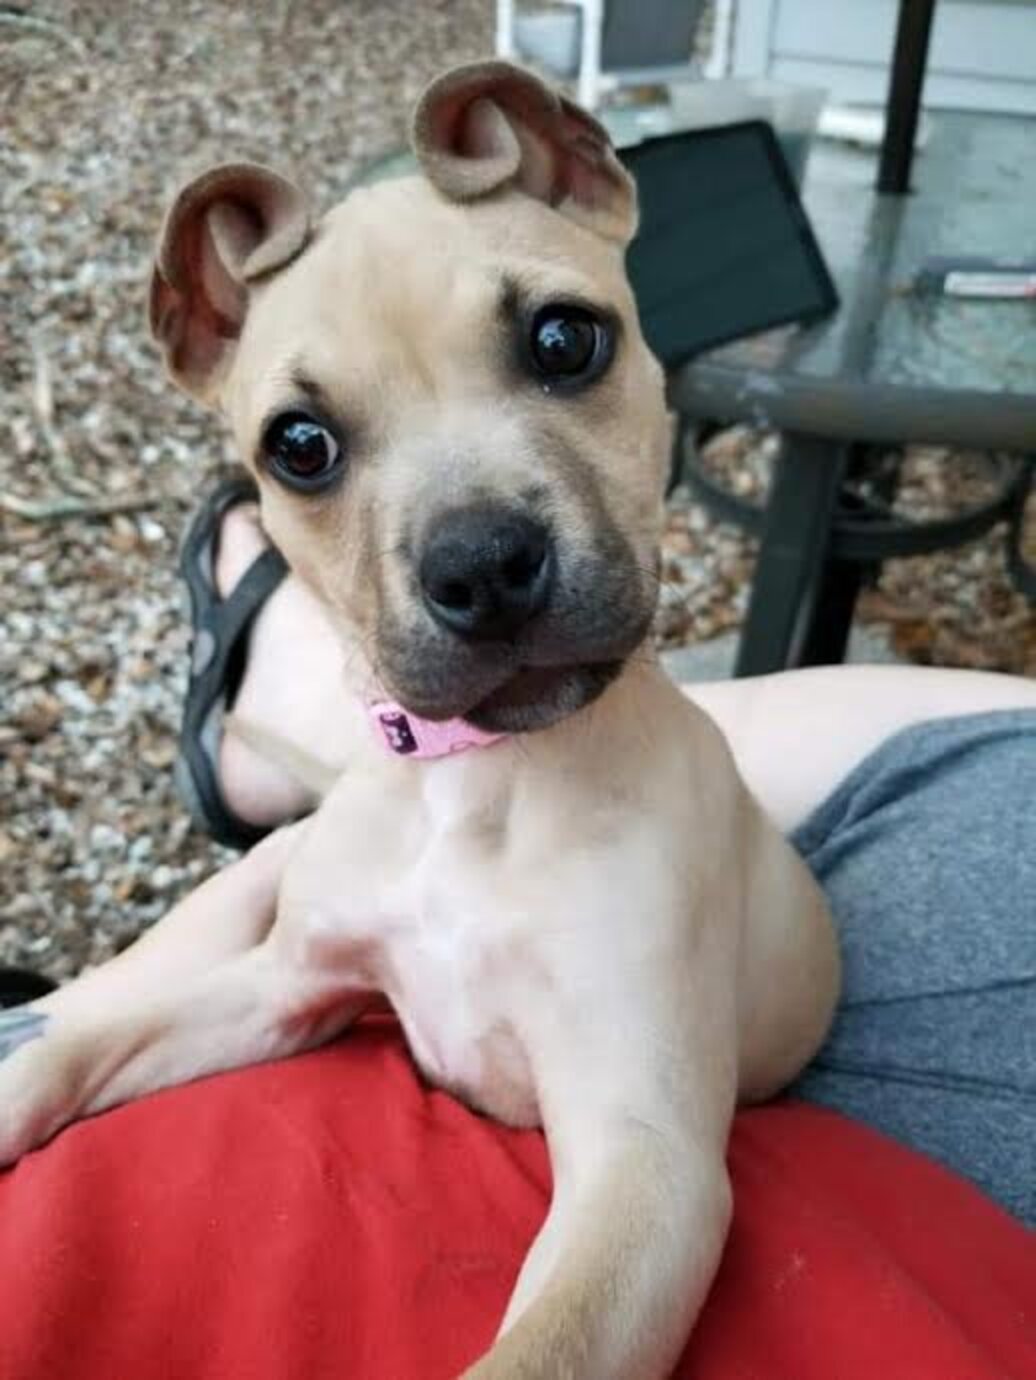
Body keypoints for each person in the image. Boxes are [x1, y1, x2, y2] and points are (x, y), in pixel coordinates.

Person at [1, 481, 1033, 1380]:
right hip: (437, 814)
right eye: (309, 447)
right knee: (303, 877)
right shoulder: (374, 836)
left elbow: (643, 1177)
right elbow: (277, 985)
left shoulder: (646, 849)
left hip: (685, 852)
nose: (474, 539)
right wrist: (50, 1072)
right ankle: (338, 724)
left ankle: (319, 714)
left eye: (558, 349)